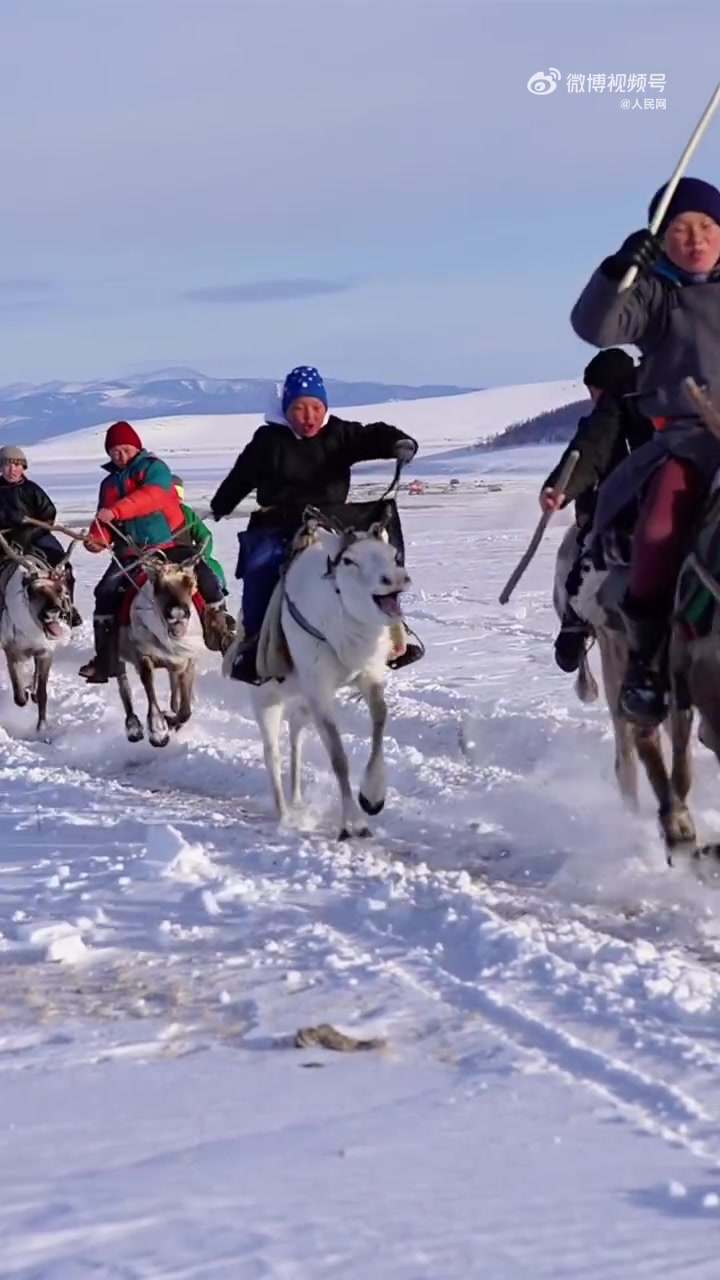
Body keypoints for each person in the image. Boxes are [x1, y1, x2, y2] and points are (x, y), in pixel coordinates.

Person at [571, 175, 720, 726]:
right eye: (680, 228)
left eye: (707, 225)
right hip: (688, 442)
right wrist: (618, 272)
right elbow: (597, 326)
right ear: (660, 239)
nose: (696, 239)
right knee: (658, 529)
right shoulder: (655, 298)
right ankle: (647, 665)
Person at [210, 364, 423, 683]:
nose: (309, 416)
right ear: (286, 408)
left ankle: (393, 632)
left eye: (316, 407)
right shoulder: (268, 441)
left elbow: (373, 435)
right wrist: (221, 505)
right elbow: (241, 476)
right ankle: (253, 646)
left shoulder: (339, 434)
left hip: (333, 524)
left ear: (325, 407)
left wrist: (398, 443)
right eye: (299, 407)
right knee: (261, 570)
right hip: (279, 525)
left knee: (376, 560)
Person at [78, 421, 234, 682]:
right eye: (114, 451)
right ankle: (107, 660)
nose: (120, 455)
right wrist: (96, 539)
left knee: (206, 577)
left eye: (125, 449)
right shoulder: (109, 484)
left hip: (171, 545)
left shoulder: (155, 469)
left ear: (137, 447)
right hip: (132, 553)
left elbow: (151, 497)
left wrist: (116, 511)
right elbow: (104, 521)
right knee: (105, 591)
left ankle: (222, 631)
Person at [539, 348, 654, 673]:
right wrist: (562, 487)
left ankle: (574, 624)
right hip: (637, 502)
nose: (593, 400)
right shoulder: (642, 391)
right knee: (587, 548)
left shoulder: (625, 398)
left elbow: (592, 445)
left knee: (586, 556)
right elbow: (591, 448)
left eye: (593, 392)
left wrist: (563, 490)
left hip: (634, 508)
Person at [0, 443, 81, 626]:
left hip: (37, 535)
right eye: (7, 464)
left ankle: (68, 607)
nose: (12, 469)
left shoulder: (32, 489)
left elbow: (48, 514)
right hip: (5, 540)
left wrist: (30, 528)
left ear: (23, 468)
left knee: (63, 566)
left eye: (17, 464)